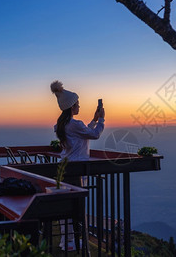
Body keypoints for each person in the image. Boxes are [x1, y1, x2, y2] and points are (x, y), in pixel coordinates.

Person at [50, 80, 105, 251]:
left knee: (66, 207)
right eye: (77, 104)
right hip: (76, 171)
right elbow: (94, 135)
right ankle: (73, 243)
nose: (79, 106)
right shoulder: (74, 124)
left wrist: (93, 120)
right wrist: (102, 119)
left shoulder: (62, 124)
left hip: (64, 170)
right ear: (71, 106)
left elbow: (83, 133)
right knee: (77, 208)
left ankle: (68, 241)